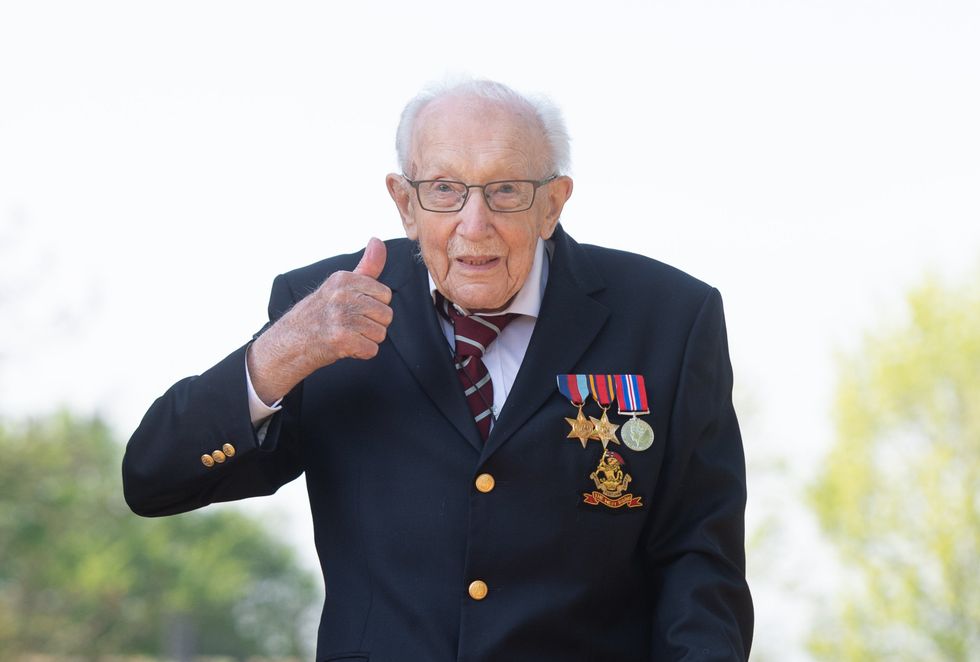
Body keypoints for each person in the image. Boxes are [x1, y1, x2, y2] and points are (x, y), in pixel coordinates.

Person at [123, 79, 753, 662]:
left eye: (506, 190)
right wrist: (281, 353)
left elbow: (699, 559)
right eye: (444, 190)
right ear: (405, 202)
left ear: (553, 203)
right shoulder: (325, 309)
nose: (473, 225)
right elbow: (153, 479)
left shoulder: (669, 318)